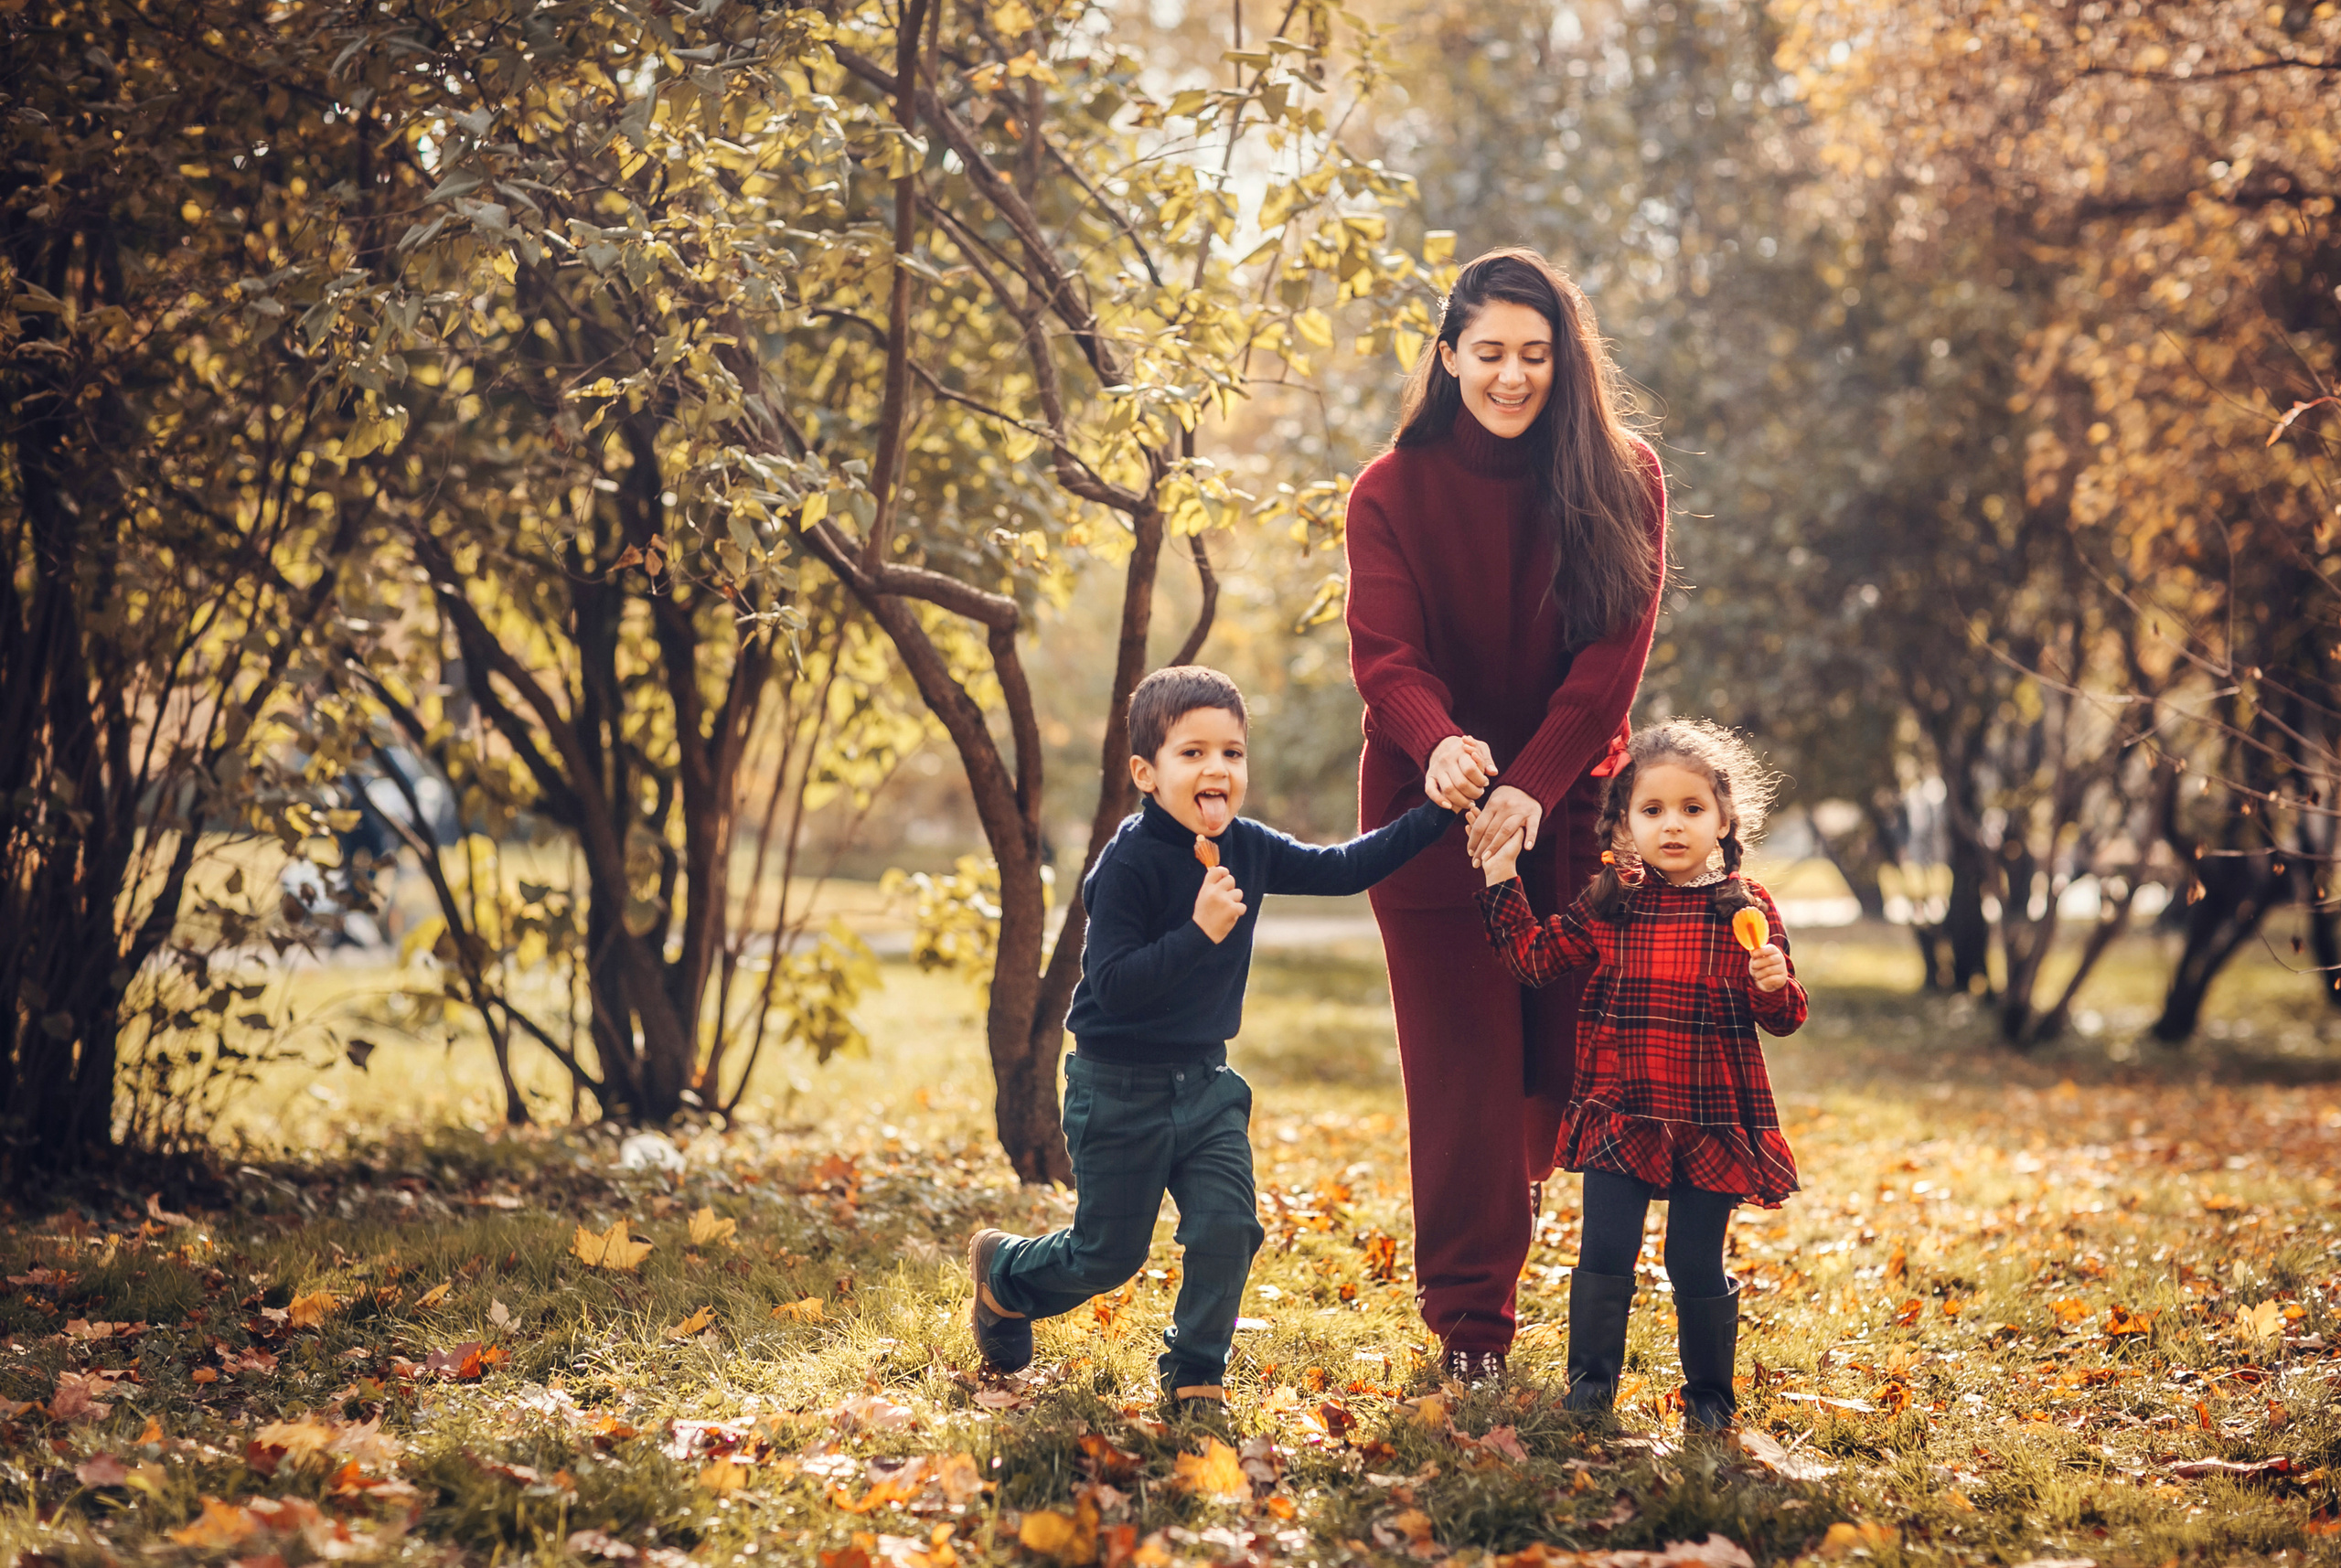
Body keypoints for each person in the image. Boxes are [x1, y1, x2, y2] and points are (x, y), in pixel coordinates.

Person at [967, 666, 1459, 1417]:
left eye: (1231, 752)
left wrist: (1436, 809)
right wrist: (1199, 933)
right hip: (1117, 1087)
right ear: (1146, 772)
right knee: (1108, 1253)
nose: (1216, 768)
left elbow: (1344, 867)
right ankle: (1005, 1275)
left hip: (1205, 1084)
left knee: (1230, 1224)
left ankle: (1195, 1373)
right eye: (1192, 752)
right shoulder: (1126, 865)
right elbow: (1118, 985)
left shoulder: (1249, 847)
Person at [1344, 246, 1667, 1378]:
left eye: (1535, 354)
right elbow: (1385, 657)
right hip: (1429, 820)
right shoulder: (1389, 489)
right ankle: (1471, 1323)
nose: (1512, 375)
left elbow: (1609, 663)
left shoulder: (1622, 475)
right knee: (1464, 1065)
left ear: (1564, 360)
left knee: (1554, 1059)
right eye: (1489, 353)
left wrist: (1532, 785)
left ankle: (1520, 1232)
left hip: (1566, 809)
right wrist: (1444, 753)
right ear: (1447, 357)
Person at [1473, 720, 1805, 1430]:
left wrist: (1772, 980)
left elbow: (1781, 1016)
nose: (1673, 825)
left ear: (1723, 821)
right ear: (1624, 822)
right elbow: (1533, 959)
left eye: (1692, 808)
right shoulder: (1613, 899)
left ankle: (1710, 1400)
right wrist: (1501, 880)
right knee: (1605, 1253)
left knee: (1693, 1261)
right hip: (1620, 1108)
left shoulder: (1743, 909)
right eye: (1652, 810)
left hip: (1709, 1115)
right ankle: (1590, 1389)